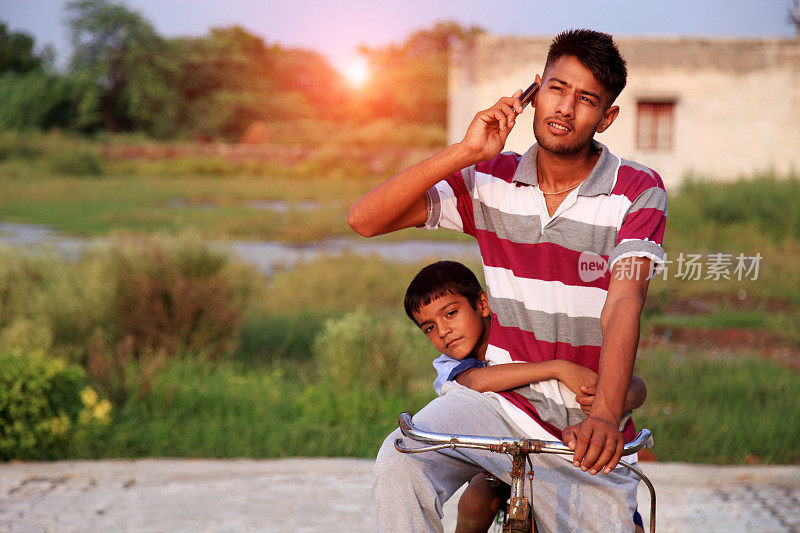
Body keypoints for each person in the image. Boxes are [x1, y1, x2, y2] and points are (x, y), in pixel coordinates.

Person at [349, 28, 667, 532]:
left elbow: (625, 299)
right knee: (401, 458)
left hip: (584, 425)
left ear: (606, 117)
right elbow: (365, 219)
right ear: (534, 90)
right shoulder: (488, 180)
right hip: (497, 407)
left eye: (586, 100)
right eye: (557, 89)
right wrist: (463, 152)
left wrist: (606, 415)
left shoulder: (637, 189)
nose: (564, 108)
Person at [405, 260, 647, 533]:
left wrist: (614, 401)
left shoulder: (521, 335)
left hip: (575, 456)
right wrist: (557, 368)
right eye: (429, 328)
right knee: (474, 501)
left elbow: (636, 386)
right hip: (509, 457)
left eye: (450, 314)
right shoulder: (453, 365)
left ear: (482, 304)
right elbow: (475, 381)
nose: (442, 331)